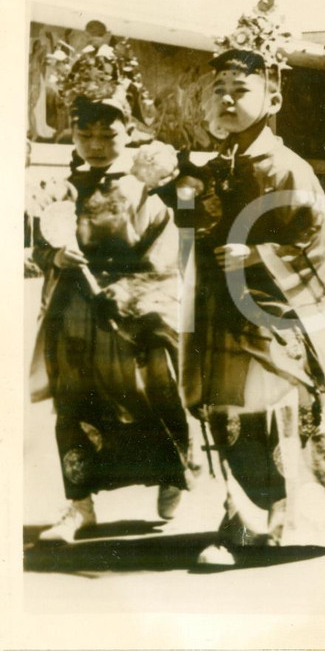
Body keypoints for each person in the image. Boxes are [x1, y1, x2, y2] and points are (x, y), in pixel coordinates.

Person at [171, 0, 325, 566]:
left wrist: (258, 254)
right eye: (219, 87)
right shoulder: (213, 163)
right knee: (228, 414)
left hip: (267, 315)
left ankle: (275, 521)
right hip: (220, 309)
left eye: (240, 90)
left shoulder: (285, 166)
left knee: (267, 413)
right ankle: (243, 516)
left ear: (273, 98)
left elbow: (318, 243)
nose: (226, 98)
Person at [32, 39, 191, 542]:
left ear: (130, 132)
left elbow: (165, 252)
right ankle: (79, 503)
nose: (96, 143)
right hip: (75, 312)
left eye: (108, 132)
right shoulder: (62, 189)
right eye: (86, 132)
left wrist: (128, 295)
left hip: (136, 313)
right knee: (73, 404)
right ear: (72, 133)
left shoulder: (148, 188)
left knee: (153, 396)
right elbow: (41, 241)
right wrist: (52, 255)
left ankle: (172, 480)